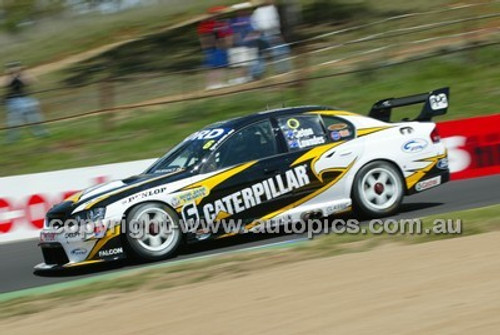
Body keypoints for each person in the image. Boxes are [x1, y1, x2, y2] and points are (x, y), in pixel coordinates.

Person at [3, 62, 48, 143]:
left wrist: (23, 72)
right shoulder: (9, 77)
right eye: (12, 67)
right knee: (13, 121)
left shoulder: (23, 75)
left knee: (34, 118)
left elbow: (32, 81)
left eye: (16, 67)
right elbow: (5, 84)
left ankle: (41, 133)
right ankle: (12, 138)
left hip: (25, 99)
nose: (14, 69)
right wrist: (10, 75)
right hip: (13, 100)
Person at [250, 0, 292, 75]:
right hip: (270, 34)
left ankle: (256, 73)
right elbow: (269, 25)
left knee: (260, 54)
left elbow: (255, 25)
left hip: (265, 35)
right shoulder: (267, 9)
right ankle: (283, 69)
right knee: (280, 50)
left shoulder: (258, 11)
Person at [197, 7, 233, 90]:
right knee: (212, 67)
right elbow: (204, 36)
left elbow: (225, 34)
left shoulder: (220, 23)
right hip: (210, 48)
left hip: (219, 47)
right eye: (215, 14)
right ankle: (210, 84)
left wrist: (226, 43)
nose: (217, 16)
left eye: (218, 14)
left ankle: (219, 83)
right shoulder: (204, 24)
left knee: (221, 65)